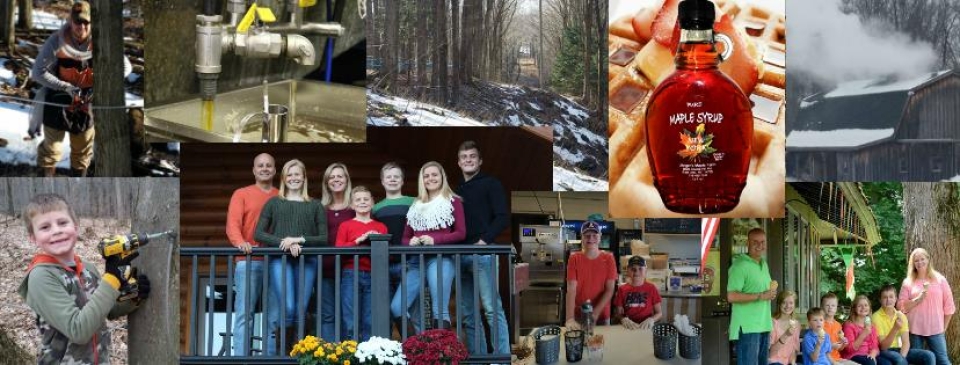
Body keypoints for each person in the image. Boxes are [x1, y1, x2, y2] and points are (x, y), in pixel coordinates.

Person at [18, 194, 148, 364]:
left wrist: (133, 296)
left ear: (76, 226)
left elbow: (108, 310)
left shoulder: (87, 268)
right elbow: (78, 330)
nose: (56, 230)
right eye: (45, 227)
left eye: (63, 223)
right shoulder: (41, 277)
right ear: (33, 238)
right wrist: (112, 279)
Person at [29, 1, 131, 177]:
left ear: (92, 22)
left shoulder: (103, 40)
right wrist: (66, 87)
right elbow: (37, 72)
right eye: (77, 22)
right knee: (50, 151)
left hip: (87, 102)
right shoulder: (57, 40)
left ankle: (78, 194)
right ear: (70, 21)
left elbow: (126, 68)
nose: (81, 26)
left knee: (82, 152)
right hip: (58, 98)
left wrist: (99, 87)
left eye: (86, 22)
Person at [254, 159, 327, 349]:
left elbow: (323, 238)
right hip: (280, 260)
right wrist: (284, 243)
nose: (294, 178)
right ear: (284, 178)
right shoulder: (274, 203)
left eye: (297, 174)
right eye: (290, 174)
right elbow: (259, 233)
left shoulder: (315, 205)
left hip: (308, 260)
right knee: (288, 307)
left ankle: (300, 354)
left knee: (301, 309)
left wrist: (299, 240)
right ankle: (284, 354)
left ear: (304, 178)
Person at [391, 161, 466, 330]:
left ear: (442, 177)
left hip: (440, 259)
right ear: (422, 180)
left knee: (439, 311)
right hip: (417, 261)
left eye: (434, 174)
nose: (430, 178)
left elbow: (461, 233)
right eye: (426, 176)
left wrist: (435, 240)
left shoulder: (453, 201)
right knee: (397, 307)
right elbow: (405, 238)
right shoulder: (416, 205)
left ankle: (441, 355)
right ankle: (415, 351)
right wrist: (410, 242)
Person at [454, 141, 510, 355]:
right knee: (468, 312)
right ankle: (478, 355)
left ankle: (500, 357)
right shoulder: (457, 191)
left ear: (479, 161)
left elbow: (502, 217)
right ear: (459, 163)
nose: (468, 159)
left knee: (491, 308)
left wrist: (484, 241)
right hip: (459, 255)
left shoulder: (490, 183)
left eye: (472, 156)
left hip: (483, 252)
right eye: (464, 157)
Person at [225, 153, 280, 356]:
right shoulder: (242, 193)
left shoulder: (280, 195)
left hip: (276, 262)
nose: (264, 168)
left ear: (274, 170)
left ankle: (269, 358)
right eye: (260, 165)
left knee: (273, 316)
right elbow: (233, 224)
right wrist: (240, 243)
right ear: (254, 170)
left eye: (268, 166)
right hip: (248, 261)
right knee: (244, 315)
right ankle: (241, 358)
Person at [372, 162, 422, 333]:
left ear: (402, 181)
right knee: (387, 312)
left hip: (409, 263)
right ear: (382, 181)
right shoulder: (376, 208)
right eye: (388, 177)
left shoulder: (414, 202)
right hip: (384, 265)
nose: (392, 179)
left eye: (396, 176)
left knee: (412, 311)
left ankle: (417, 354)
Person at [335, 186, 387, 342]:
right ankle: (349, 355)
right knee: (350, 318)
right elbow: (338, 248)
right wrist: (359, 240)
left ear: (372, 203)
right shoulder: (346, 225)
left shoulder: (380, 227)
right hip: (351, 273)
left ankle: (367, 356)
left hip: (373, 275)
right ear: (352, 204)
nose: (362, 202)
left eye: (366, 199)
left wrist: (377, 241)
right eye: (358, 200)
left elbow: (385, 255)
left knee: (369, 320)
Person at [728, 228, 777, 365]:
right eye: (755, 242)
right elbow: (731, 296)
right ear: (747, 243)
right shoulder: (740, 265)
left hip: (763, 324)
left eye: (762, 242)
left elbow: (762, 292)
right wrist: (760, 296)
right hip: (747, 327)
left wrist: (769, 294)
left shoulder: (764, 264)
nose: (759, 245)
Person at [898, 248, 955, 365]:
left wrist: (943, 328)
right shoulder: (908, 282)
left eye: (922, 259)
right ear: (912, 263)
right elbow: (901, 306)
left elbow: (949, 306)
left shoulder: (940, 279)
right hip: (914, 329)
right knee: (917, 361)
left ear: (928, 260)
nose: (920, 263)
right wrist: (918, 299)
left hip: (936, 329)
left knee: (943, 361)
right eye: (916, 260)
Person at [320, 162, 355, 340]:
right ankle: (329, 356)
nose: (336, 180)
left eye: (339, 176)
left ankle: (349, 356)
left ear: (346, 180)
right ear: (327, 182)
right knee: (328, 315)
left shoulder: (355, 207)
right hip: (325, 270)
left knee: (348, 315)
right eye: (331, 177)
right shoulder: (320, 208)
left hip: (349, 268)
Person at [564, 220, 617, 329]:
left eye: (594, 235)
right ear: (581, 237)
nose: (590, 238)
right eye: (587, 235)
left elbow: (610, 289)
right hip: (579, 315)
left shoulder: (609, 258)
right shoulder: (574, 258)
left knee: (601, 344)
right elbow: (571, 289)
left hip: (602, 315)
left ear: (600, 236)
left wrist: (595, 313)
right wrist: (569, 318)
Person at [874, 285, 935, 365]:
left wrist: (902, 357)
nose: (888, 300)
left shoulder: (901, 316)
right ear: (880, 300)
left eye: (891, 297)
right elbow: (883, 346)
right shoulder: (876, 317)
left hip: (899, 349)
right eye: (885, 297)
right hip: (884, 351)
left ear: (896, 299)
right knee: (896, 360)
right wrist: (895, 328)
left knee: (929, 355)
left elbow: (906, 343)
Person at [613, 256, 662, 330]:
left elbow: (659, 313)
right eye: (633, 269)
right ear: (628, 271)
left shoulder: (652, 288)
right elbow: (618, 313)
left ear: (645, 270)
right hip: (628, 327)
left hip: (646, 327)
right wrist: (623, 319)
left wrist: (651, 320)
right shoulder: (622, 289)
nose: (636, 272)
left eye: (640, 268)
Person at [842, 295, 881, 365]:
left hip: (868, 355)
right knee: (870, 362)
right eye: (860, 306)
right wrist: (863, 334)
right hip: (853, 355)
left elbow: (875, 346)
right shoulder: (849, 325)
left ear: (869, 308)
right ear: (854, 308)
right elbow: (849, 349)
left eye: (866, 305)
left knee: (884, 362)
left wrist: (873, 354)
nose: (863, 308)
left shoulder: (872, 326)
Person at [822, 292, 858, 365]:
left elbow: (839, 348)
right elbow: (819, 348)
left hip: (837, 358)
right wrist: (831, 346)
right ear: (822, 307)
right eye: (827, 305)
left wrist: (844, 343)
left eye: (833, 305)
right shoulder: (820, 324)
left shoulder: (838, 325)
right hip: (824, 359)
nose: (830, 308)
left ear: (836, 308)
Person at [769, 290, 800, 365]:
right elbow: (771, 353)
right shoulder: (772, 322)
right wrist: (786, 335)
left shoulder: (796, 324)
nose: (787, 306)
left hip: (788, 362)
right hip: (774, 361)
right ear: (779, 304)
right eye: (784, 302)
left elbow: (794, 349)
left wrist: (793, 362)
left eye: (791, 303)